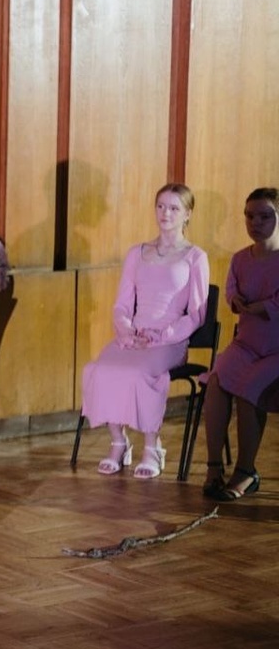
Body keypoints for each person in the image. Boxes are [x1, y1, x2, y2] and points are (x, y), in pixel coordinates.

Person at [80, 184, 210, 479]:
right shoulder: (136, 253)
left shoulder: (195, 257)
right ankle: (118, 442)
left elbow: (196, 314)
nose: (166, 213)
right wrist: (127, 331)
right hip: (134, 336)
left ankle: (152, 447)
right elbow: (122, 304)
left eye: (174, 208)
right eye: (161, 206)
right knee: (100, 369)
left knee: (141, 374)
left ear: (188, 214)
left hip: (169, 339)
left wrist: (162, 336)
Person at [201, 187, 279, 500]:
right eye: (249, 216)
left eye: (264, 216)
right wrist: (236, 301)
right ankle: (214, 467)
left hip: (275, 350)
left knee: (249, 390)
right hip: (246, 344)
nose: (255, 222)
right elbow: (232, 291)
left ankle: (246, 471)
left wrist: (260, 306)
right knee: (216, 382)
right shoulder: (239, 258)